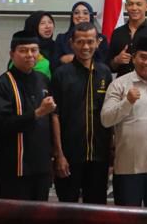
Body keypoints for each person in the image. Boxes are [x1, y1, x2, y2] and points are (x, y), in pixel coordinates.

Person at [100, 36, 147, 207]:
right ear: (133, 58)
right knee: (127, 217)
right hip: (128, 167)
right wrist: (127, 102)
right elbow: (106, 119)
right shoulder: (119, 84)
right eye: (143, 57)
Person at [50, 22, 113, 203]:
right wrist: (59, 155)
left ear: (98, 42)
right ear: (72, 43)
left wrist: (111, 153)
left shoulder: (104, 73)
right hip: (69, 156)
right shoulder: (61, 74)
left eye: (90, 41)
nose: (85, 47)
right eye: (80, 42)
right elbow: (54, 115)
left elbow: (110, 113)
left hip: (99, 156)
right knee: (67, 209)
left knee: (96, 209)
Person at [0, 30, 56, 201]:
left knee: (39, 212)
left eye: (34, 50)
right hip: (13, 166)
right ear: (12, 54)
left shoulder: (43, 80)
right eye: (23, 50)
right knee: (12, 213)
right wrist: (38, 113)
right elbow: (3, 124)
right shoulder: (2, 84)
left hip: (41, 165)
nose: (29, 55)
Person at [109, 0, 147, 76]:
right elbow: (110, 67)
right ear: (126, 7)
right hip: (122, 82)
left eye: (139, 4)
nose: (134, 8)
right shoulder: (117, 33)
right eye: (130, 4)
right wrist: (117, 60)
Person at [54, 1, 110, 67]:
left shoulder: (101, 39)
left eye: (85, 13)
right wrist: (62, 59)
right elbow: (54, 64)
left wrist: (77, 58)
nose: (80, 16)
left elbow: (105, 64)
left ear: (90, 16)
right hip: (66, 73)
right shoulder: (61, 38)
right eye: (76, 13)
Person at [20, 11, 56, 78]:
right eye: (42, 23)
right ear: (33, 27)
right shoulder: (24, 48)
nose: (48, 26)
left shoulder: (57, 46)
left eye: (50, 22)